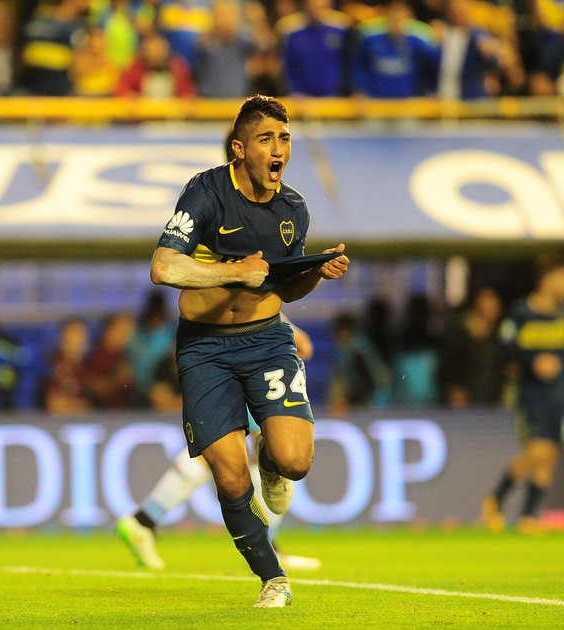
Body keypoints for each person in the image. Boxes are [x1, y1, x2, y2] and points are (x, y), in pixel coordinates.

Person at [148, 94, 350, 607]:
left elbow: (284, 288)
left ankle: (272, 459)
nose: (278, 149)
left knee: (295, 462)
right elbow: (164, 267)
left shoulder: (293, 210)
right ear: (240, 149)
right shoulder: (206, 192)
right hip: (204, 349)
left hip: (266, 342)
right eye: (266, 139)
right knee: (228, 473)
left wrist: (314, 272)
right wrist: (233, 271)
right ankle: (273, 579)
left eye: (284, 139)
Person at [116, 321, 322, 573]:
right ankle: (269, 546)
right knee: (258, 447)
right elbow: (255, 304)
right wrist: (291, 329)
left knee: (225, 450)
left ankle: (144, 521)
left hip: (223, 350)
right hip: (246, 351)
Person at [480, 255, 564, 534]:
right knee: (539, 450)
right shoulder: (522, 312)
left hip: (559, 394)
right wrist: (532, 360)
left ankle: (528, 516)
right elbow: (503, 348)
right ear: (549, 278)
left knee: (549, 455)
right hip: (531, 394)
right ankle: (495, 498)